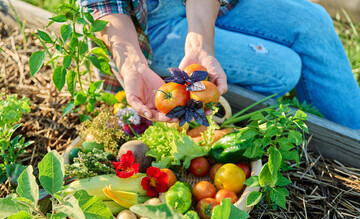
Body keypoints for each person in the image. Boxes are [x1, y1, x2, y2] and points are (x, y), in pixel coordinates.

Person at [80, 0, 360, 130]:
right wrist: (132, 65)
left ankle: (353, 137)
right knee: (284, 68)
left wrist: (199, 45)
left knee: (314, 20)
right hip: (145, 28)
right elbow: (102, 5)